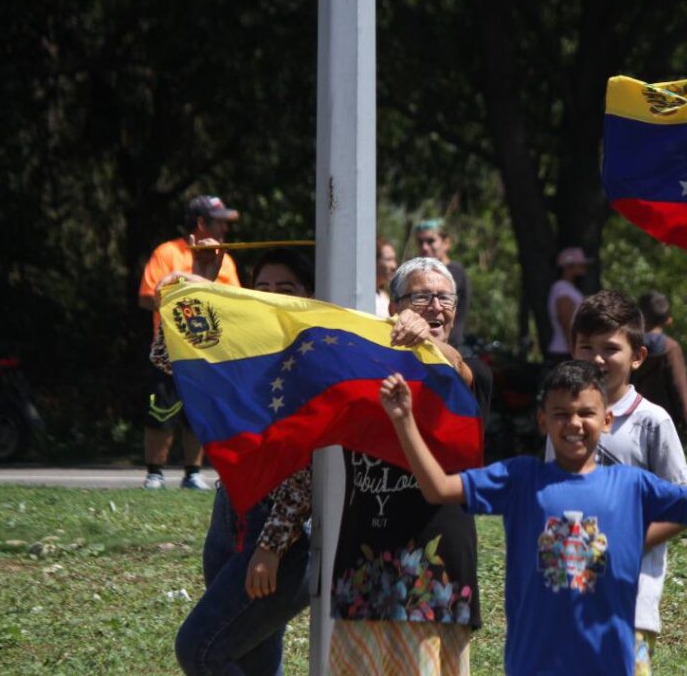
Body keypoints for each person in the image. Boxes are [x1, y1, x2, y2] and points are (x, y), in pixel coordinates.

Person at [379, 359, 687, 675]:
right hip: (535, 664)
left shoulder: (632, 485)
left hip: (610, 664)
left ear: (606, 421)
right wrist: (404, 421)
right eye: (561, 413)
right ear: (543, 421)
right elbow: (438, 488)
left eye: (586, 413)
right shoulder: (520, 479)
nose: (574, 423)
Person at [252, 257, 491, 675]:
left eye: (444, 297)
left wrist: (427, 346)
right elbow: (310, 457)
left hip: (434, 576)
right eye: (421, 296)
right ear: (394, 308)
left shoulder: (471, 373)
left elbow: (459, 372)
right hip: (361, 574)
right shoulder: (359, 371)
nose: (435, 306)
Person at [163, 248, 315, 675]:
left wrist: (271, 546)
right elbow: (168, 358)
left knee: (200, 649)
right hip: (230, 516)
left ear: (310, 295)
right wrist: (195, 287)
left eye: (285, 290)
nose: (270, 298)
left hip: (284, 536)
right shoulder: (241, 348)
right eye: (261, 289)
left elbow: (307, 471)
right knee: (251, 661)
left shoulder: (315, 358)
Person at [542, 289, 687, 674]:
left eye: (610, 348)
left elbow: (682, 508)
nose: (597, 359)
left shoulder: (653, 422)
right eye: (586, 347)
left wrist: (623, 541)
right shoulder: (562, 421)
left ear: (637, 357)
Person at [137, 195, 241, 490]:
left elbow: (237, 300)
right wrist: (180, 291)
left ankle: (192, 473)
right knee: (161, 409)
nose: (225, 230)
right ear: (201, 223)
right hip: (169, 351)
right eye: (220, 223)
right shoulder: (167, 252)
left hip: (208, 349)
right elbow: (146, 296)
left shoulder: (226, 258)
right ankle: (154, 473)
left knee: (199, 410)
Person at [631, 290, 687, 436]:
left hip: (628, 418)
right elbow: (678, 386)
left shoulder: (626, 346)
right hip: (663, 422)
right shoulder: (670, 348)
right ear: (668, 320)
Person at [415, 218, 470, 346]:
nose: (424, 247)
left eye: (430, 241)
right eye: (420, 242)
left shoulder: (454, 272)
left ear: (446, 243)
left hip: (448, 347)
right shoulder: (420, 272)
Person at [545, 247, 589, 364]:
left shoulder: (571, 289)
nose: (584, 270)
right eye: (580, 266)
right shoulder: (562, 289)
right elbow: (567, 322)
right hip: (564, 353)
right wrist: (575, 352)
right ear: (567, 267)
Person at [376, 237, 398, 317]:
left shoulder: (384, 296)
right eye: (389, 260)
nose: (394, 266)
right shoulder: (361, 298)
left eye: (394, 260)